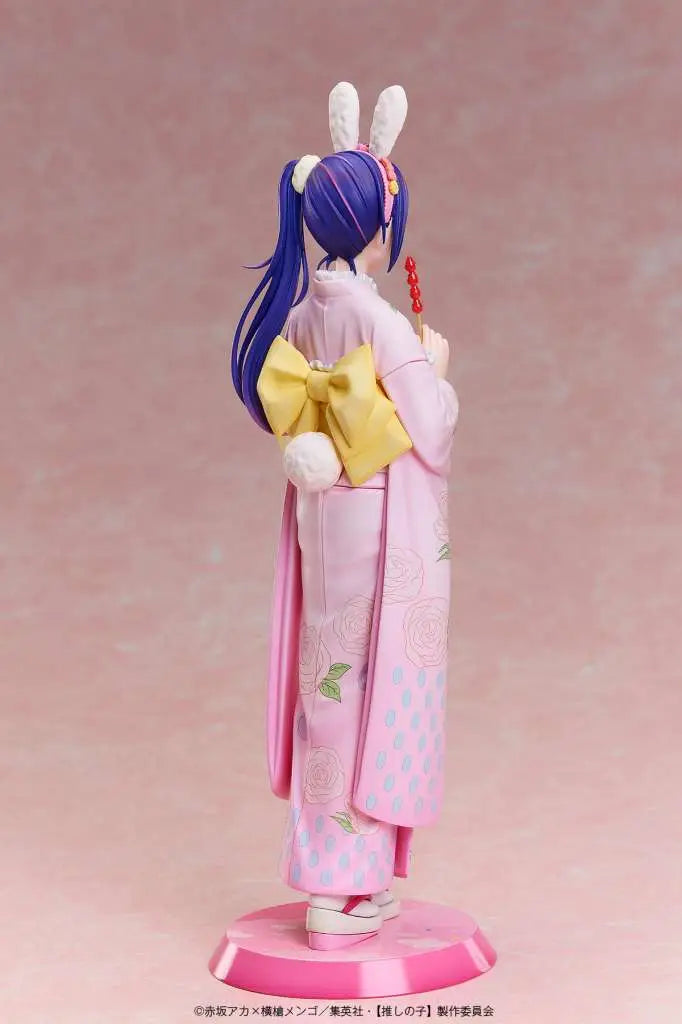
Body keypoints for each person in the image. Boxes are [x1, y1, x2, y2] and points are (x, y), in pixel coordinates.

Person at [231, 82, 458, 950]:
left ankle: (338, 877)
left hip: (321, 514)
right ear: (379, 225)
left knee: (326, 681)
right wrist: (436, 369)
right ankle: (341, 887)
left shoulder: (301, 312)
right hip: (375, 515)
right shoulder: (382, 322)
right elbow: (430, 432)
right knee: (367, 689)